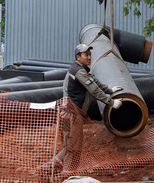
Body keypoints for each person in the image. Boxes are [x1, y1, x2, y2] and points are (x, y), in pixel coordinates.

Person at [52, 43, 122, 172]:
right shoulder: (78, 71)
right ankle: (66, 174)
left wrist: (110, 90)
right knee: (73, 147)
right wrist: (111, 102)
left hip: (72, 113)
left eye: (90, 54)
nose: (89, 57)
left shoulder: (83, 69)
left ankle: (48, 169)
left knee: (71, 146)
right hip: (71, 114)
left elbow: (95, 81)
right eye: (86, 55)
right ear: (78, 57)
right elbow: (94, 90)